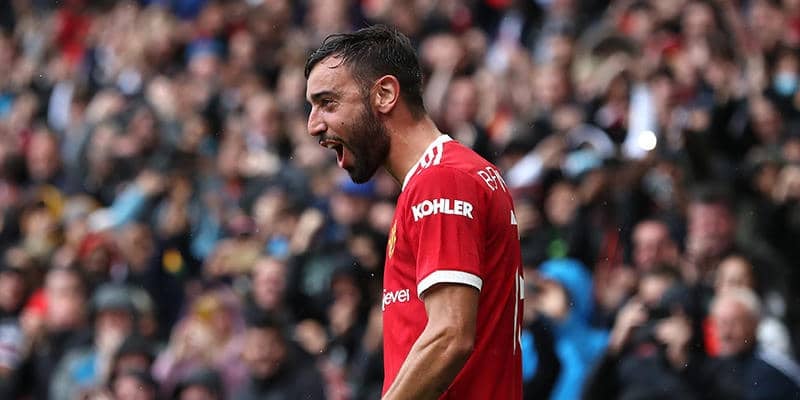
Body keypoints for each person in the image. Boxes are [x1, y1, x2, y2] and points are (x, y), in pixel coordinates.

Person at [305, 24, 523, 399]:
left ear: (385, 94)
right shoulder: (452, 174)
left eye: (328, 103)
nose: (313, 126)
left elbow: (449, 336)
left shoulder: (441, 180)